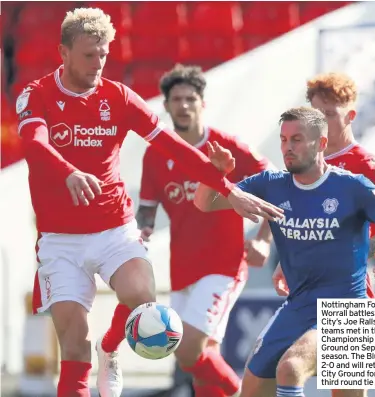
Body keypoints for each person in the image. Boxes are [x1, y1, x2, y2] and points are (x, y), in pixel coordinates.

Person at [16, 8, 283, 397]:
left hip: (113, 229)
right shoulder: (36, 94)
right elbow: (35, 144)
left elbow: (173, 144)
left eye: (104, 55)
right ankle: (93, 355)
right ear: (63, 52)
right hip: (60, 240)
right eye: (89, 54)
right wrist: (68, 172)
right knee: (74, 346)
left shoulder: (119, 96)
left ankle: (110, 349)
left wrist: (228, 188)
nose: (98, 63)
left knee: (142, 300)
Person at [193, 106, 375, 397]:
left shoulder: (353, 186)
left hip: (348, 311)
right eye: (284, 139)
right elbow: (205, 203)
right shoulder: (271, 185)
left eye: (297, 139)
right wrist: (213, 173)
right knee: (251, 389)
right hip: (298, 305)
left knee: (291, 368)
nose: (287, 147)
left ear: (321, 144)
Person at [99, 64, 273, 397]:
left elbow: (277, 187)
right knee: (204, 360)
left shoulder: (228, 147)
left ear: (202, 103)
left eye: (190, 98)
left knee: (187, 349)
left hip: (223, 266)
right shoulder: (155, 156)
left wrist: (263, 240)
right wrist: (142, 229)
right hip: (181, 270)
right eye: (176, 99)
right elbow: (148, 207)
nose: (183, 105)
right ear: (165, 106)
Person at [271, 72, 375, 397]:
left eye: (329, 115)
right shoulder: (302, 164)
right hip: (307, 295)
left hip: (351, 298)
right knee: (275, 372)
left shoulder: (365, 165)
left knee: (312, 378)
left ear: (350, 116)